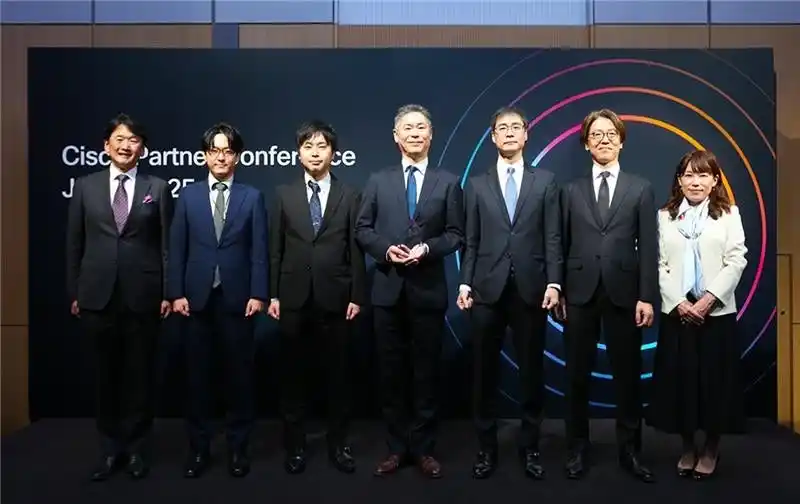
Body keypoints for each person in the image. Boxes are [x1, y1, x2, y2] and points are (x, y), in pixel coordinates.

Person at [355, 104, 464, 479]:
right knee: (391, 374)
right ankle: (396, 448)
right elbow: (363, 229)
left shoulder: (448, 181)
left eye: (421, 127)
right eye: (408, 128)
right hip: (387, 291)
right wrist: (386, 250)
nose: (415, 133)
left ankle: (424, 449)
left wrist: (428, 249)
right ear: (396, 136)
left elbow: (456, 234)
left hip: (428, 291)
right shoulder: (377, 180)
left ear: (430, 135)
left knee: (426, 374)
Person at [66, 113, 173, 481]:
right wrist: (75, 290)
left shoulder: (157, 187)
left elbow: (166, 245)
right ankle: (110, 451)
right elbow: (74, 244)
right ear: (106, 145)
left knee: (139, 377)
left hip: (144, 296)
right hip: (97, 296)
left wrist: (167, 292)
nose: (127, 146)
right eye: (120, 139)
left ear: (143, 148)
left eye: (134, 140)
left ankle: (138, 450)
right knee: (105, 377)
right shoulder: (85, 186)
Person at [457, 106, 562, 480]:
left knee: (531, 373)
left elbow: (553, 236)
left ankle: (530, 447)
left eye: (516, 127)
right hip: (486, 289)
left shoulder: (546, 181)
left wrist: (554, 282)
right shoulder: (477, 184)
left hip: (532, 288)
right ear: (493, 137)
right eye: (503, 128)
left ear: (526, 134)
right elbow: (470, 240)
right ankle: (486, 448)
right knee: (484, 373)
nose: (510, 133)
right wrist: (465, 282)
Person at [559, 109, 657, 483]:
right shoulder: (569, 190)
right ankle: (576, 449)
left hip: (625, 294)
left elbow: (649, 247)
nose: (604, 140)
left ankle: (630, 452)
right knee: (576, 377)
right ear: (586, 144)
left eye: (610, 134)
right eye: (596, 134)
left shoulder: (640, 188)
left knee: (628, 378)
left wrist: (646, 296)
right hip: (578, 293)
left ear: (621, 141)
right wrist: (558, 288)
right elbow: (560, 243)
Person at [167, 122, 268, 479]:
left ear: (237, 156)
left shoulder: (252, 196)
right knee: (197, 380)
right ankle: (199, 449)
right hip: (195, 300)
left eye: (227, 151)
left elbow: (259, 250)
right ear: (205, 156)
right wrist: (175, 292)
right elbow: (176, 247)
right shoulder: (188, 196)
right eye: (214, 151)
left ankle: (238, 448)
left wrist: (259, 293)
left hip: (238, 300)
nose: (221, 157)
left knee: (239, 379)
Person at [267, 120, 366, 475]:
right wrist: (273, 294)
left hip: (336, 297)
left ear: (333, 153)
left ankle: (339, 445)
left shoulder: (350, 194)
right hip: (292, 298)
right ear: (298, 153)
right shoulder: (283, 194)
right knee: (293, 378)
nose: (314, 153)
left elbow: (356, 249)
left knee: (338, 378)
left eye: (322, 146)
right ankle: (295, 447)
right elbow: (275, 250)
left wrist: (357, 294)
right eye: (308, 146)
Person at [647, 149, 747, 481]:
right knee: (681, 383)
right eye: (689, 175)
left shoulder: (729, 214)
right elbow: (659, 264)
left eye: (703, 175)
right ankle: (688, 447)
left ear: (715, 180)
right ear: (679, 180)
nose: (695, 181)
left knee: (715, 384)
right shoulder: (665, 216)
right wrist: (678, 302)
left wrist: (709, 299)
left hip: (716, 313)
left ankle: (711, 449)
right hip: (678, 313)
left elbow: (736, 260)